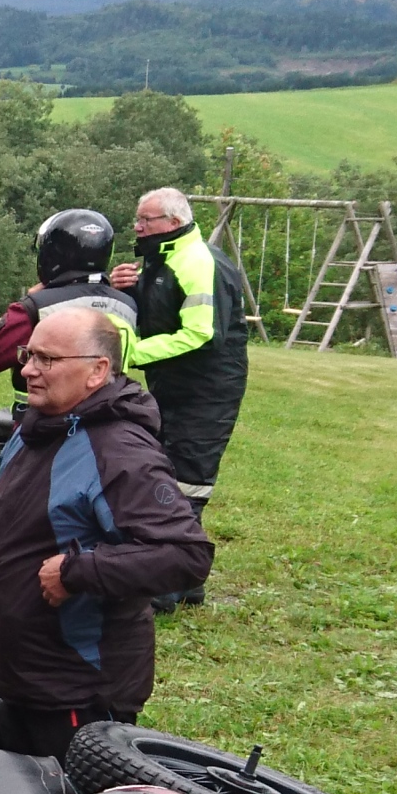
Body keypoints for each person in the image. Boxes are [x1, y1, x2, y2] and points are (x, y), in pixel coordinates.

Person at [0, 306, 212, 758]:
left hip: (77, 691)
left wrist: (77, 571)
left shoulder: (118, 451)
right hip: (25, 677)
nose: (27, 370)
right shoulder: (37, 428)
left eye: (47, 359)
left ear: (97, 371)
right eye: (28, 355)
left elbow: (185, 555)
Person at [109, 186, 253, 607]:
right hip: (174, 385)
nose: (137, 226)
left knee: (186, 483)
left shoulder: (198, 261)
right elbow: (161, 312)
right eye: (137, 218)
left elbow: (201, 333)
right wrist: (126, 288)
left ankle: (166, 587)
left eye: (146, 220)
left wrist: (131, 354)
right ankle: (188, 581)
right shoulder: (164, 259)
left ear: (173, 222)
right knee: (166, 473)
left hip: (206, 390)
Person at [0, 208, 140, 377]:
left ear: (53, 254)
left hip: (47, 394)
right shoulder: (128, 305)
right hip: (111, 393)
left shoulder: (38, 305)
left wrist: (26, 301)